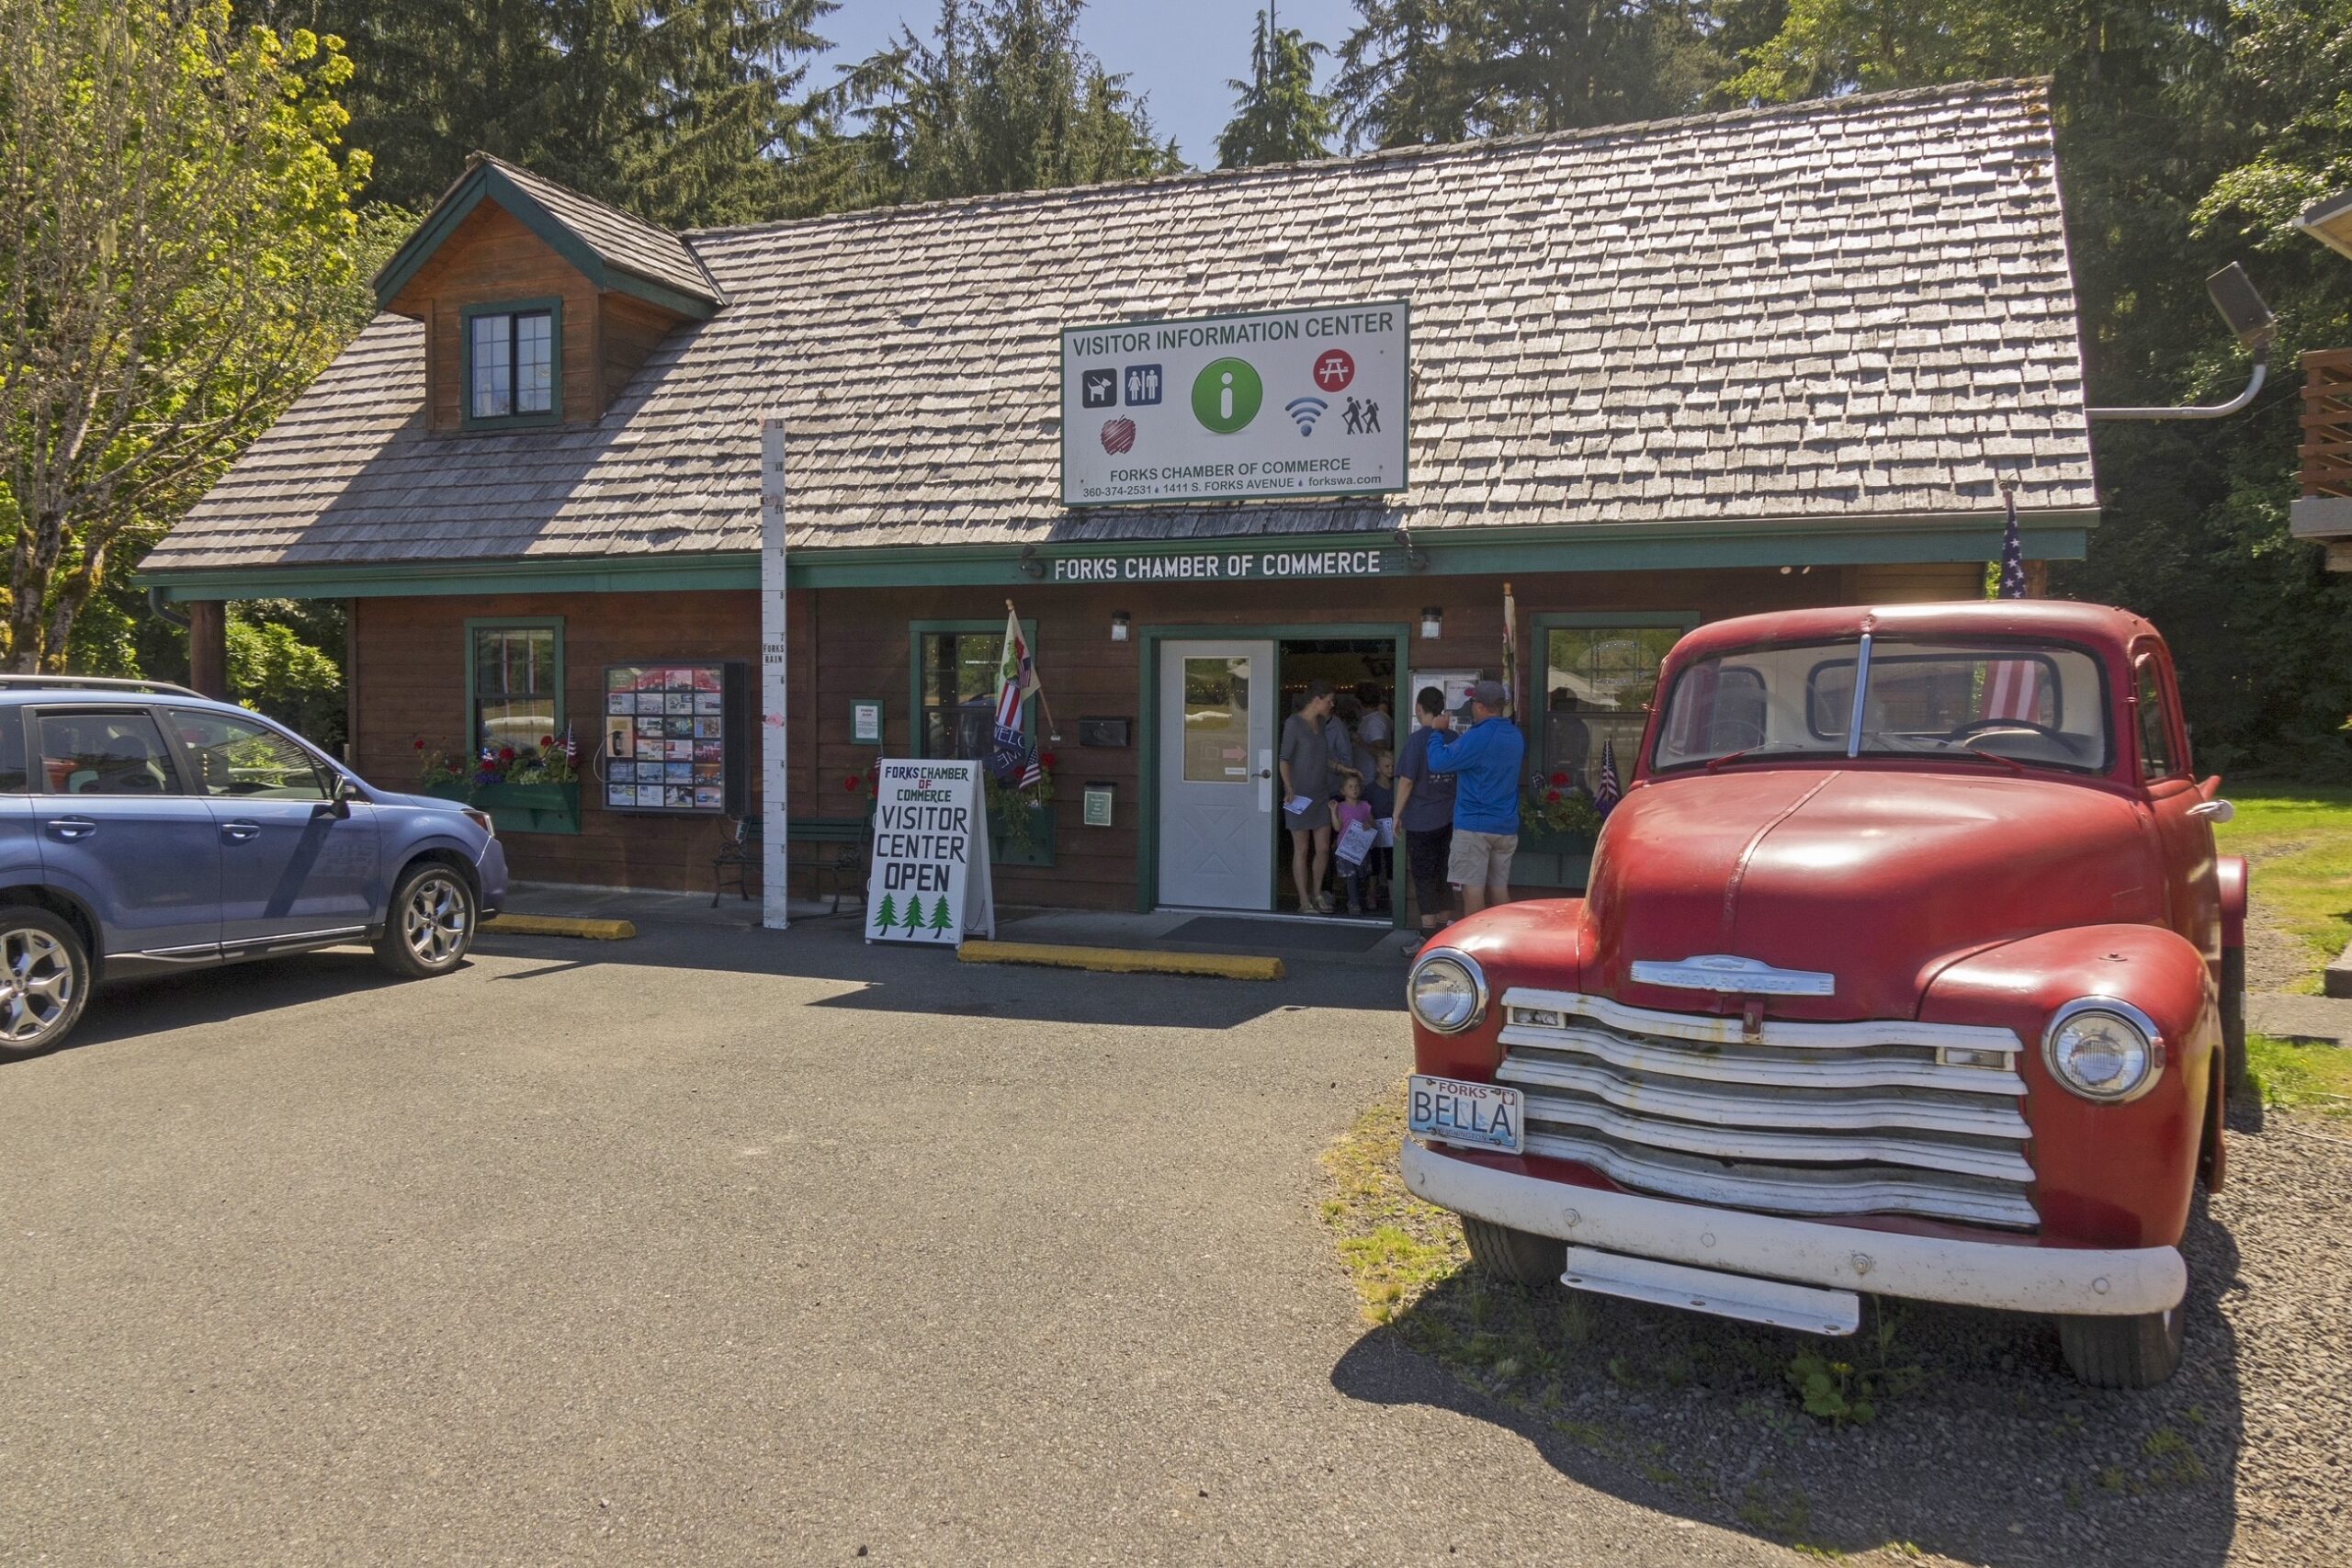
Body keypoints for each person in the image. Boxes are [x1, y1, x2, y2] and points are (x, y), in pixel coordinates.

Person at [1426, 679, 1525, 917]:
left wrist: (1437, 732)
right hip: (1505, 825)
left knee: (1473, 891)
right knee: (1499, 889)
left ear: (1480, 706)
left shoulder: (1479, 736)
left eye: (1472, 703)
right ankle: (1505, 937)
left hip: (1475, 825)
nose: (1471, 707)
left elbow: (1437, 762)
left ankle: (1477, 939)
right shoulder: (1515, 735)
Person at [1391, 685, 1459, 934]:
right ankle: (1442, 930)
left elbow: (1407, 781)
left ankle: (1427, 933)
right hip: (1450, 817)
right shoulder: (1454, 738)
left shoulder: (1416, 741)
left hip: (1421, 819)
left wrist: (1397, 813)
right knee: (1444, 873)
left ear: (1419, 708)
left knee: (1424, 876)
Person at [1280, 681, 1337, 914]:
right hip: (1299, 796)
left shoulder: (1321, 723)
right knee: (1302, 849)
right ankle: (1304, 900)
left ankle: (1317, 893)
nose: (1332, 704)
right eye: (1329, 700)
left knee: (1323, 848)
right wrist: (1288, 786)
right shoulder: (1293, 723)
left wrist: (1343, 769)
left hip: (1320, 794)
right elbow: (1284, 759)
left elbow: (1321, 757)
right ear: (1316, 699)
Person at [1332, 773, 1375, 915]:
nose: (1354, 789)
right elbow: (1337, 827)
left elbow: (1372, 822)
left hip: (1361, 847)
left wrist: (1369, 824)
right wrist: (1333, 812)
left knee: (1362, 874)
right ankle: (1354, 903)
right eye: (1350, 787)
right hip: (1346, 847)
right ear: (1343, 791)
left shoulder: (1365, 806)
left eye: (1357, 786)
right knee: (1351, 875)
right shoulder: (1341, 807)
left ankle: (1356, 899)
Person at [1363, 750, 1396, 912]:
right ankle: (1371, 893)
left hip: (1392, 831)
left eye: (1393, 766)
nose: (1390, 769)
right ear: (1378, 768)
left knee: (1392, 863)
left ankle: (1393, 897)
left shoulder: (1397, 787)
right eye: (1386, 766)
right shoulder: (1370, 789)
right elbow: (1364, 810)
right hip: (1374, 830)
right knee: (1374, 864)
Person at [1356, 683, 1394, 757]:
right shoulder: (1381, 717)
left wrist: (1360, 742)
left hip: (1372, 764)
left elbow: (1382, 752)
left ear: (1359, 701)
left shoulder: (1374, 722)